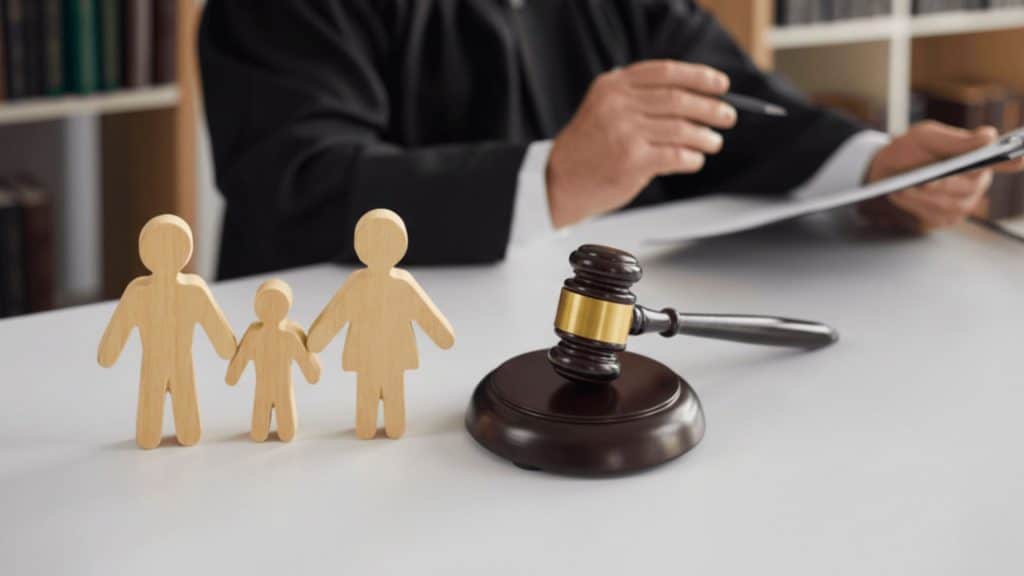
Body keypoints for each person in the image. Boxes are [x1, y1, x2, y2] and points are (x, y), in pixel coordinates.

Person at [199, 0, 1024, 279]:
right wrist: (553, 180)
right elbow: (300, 185)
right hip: (348, 380)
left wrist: (874, 167)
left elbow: (727, 103)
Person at [306, 210, 455, 440]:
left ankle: (379, 427)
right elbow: (335, 316)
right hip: (378, 354)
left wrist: (316, 341)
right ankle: (374, 427)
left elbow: (427, 316)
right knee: (375, 390)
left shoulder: (387, 284)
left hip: (381, 354)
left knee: (385, 389)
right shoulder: (365, 285)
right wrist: (443, 337)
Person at [98, 215, 237, 449]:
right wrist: (228, 349)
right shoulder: (158, 292)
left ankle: (161, 435)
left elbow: (114, 338)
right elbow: (222, 340)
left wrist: (109, 355)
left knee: (172, 428)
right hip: (170, 363)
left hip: (167, 363)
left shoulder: (147, 293)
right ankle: (165, 434)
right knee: (176, 426)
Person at [226, 279, 321, 442]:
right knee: (265, 430)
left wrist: (232, 377)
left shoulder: (286, 334)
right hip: (269, 387)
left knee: (282, 430)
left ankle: (275, 431)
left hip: (276, 387)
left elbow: (306, 361)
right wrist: (312, 373)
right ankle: (270, 431)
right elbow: (309, 366)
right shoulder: (260, 335)